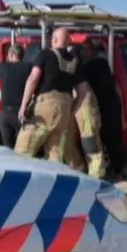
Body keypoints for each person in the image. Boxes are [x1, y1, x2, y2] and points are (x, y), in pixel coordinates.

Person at [15, 26, 88, 170]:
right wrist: (72, 109)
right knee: (55, 152)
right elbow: (83, 91)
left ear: (54, 40)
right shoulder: (75, 61)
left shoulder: (45, 55)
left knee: (25, 147)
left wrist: (24, 105)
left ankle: (17, 182)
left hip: (46, 105)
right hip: (65, 107)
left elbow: (33, 79)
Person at [77, 40, 123, 179]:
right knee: (112, 139)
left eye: (85, 50)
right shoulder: (103, 64)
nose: (82, 53)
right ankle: (119, 168)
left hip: (102, 106)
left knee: (101, 140)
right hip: (110, 105)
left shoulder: (90, 66)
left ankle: (110, 169)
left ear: (92, 51)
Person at [0, 42, 31, 150]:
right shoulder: (28, 67)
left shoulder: (1, 67)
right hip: (21, 111)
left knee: (7, 148)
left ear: (11, 55)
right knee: (24, 147)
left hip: (5, 112)